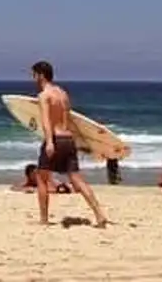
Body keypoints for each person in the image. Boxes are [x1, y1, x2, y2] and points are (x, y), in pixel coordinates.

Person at [31, 60, 108, 227]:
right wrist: (84, 140)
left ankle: (43, 220)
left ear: (41, 75)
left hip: (56, 139)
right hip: (68, 139)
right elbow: (71, 120)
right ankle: (99, 214)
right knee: (77, 179)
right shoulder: (62, 93)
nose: (33, 79)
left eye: (34, 75)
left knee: (41, 177)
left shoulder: (44, 96)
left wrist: (50, 142)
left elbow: (46, 121)